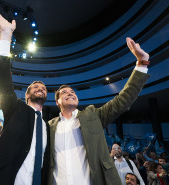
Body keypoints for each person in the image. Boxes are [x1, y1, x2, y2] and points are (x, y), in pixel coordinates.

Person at [48, 37, 150, 185]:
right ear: (57, 102)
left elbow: (122, 100)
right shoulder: (49, 126)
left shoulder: (93, 116)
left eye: (72, 91)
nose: (70, 93)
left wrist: (142, 64)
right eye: (64, 92)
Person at [0, 8, 50, 185]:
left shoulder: (47, 126)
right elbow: (2, 76)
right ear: (27, 94)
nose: (40, 88)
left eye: (43, 87)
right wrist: (5, 35)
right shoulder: (16, 108)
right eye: (35, 87)